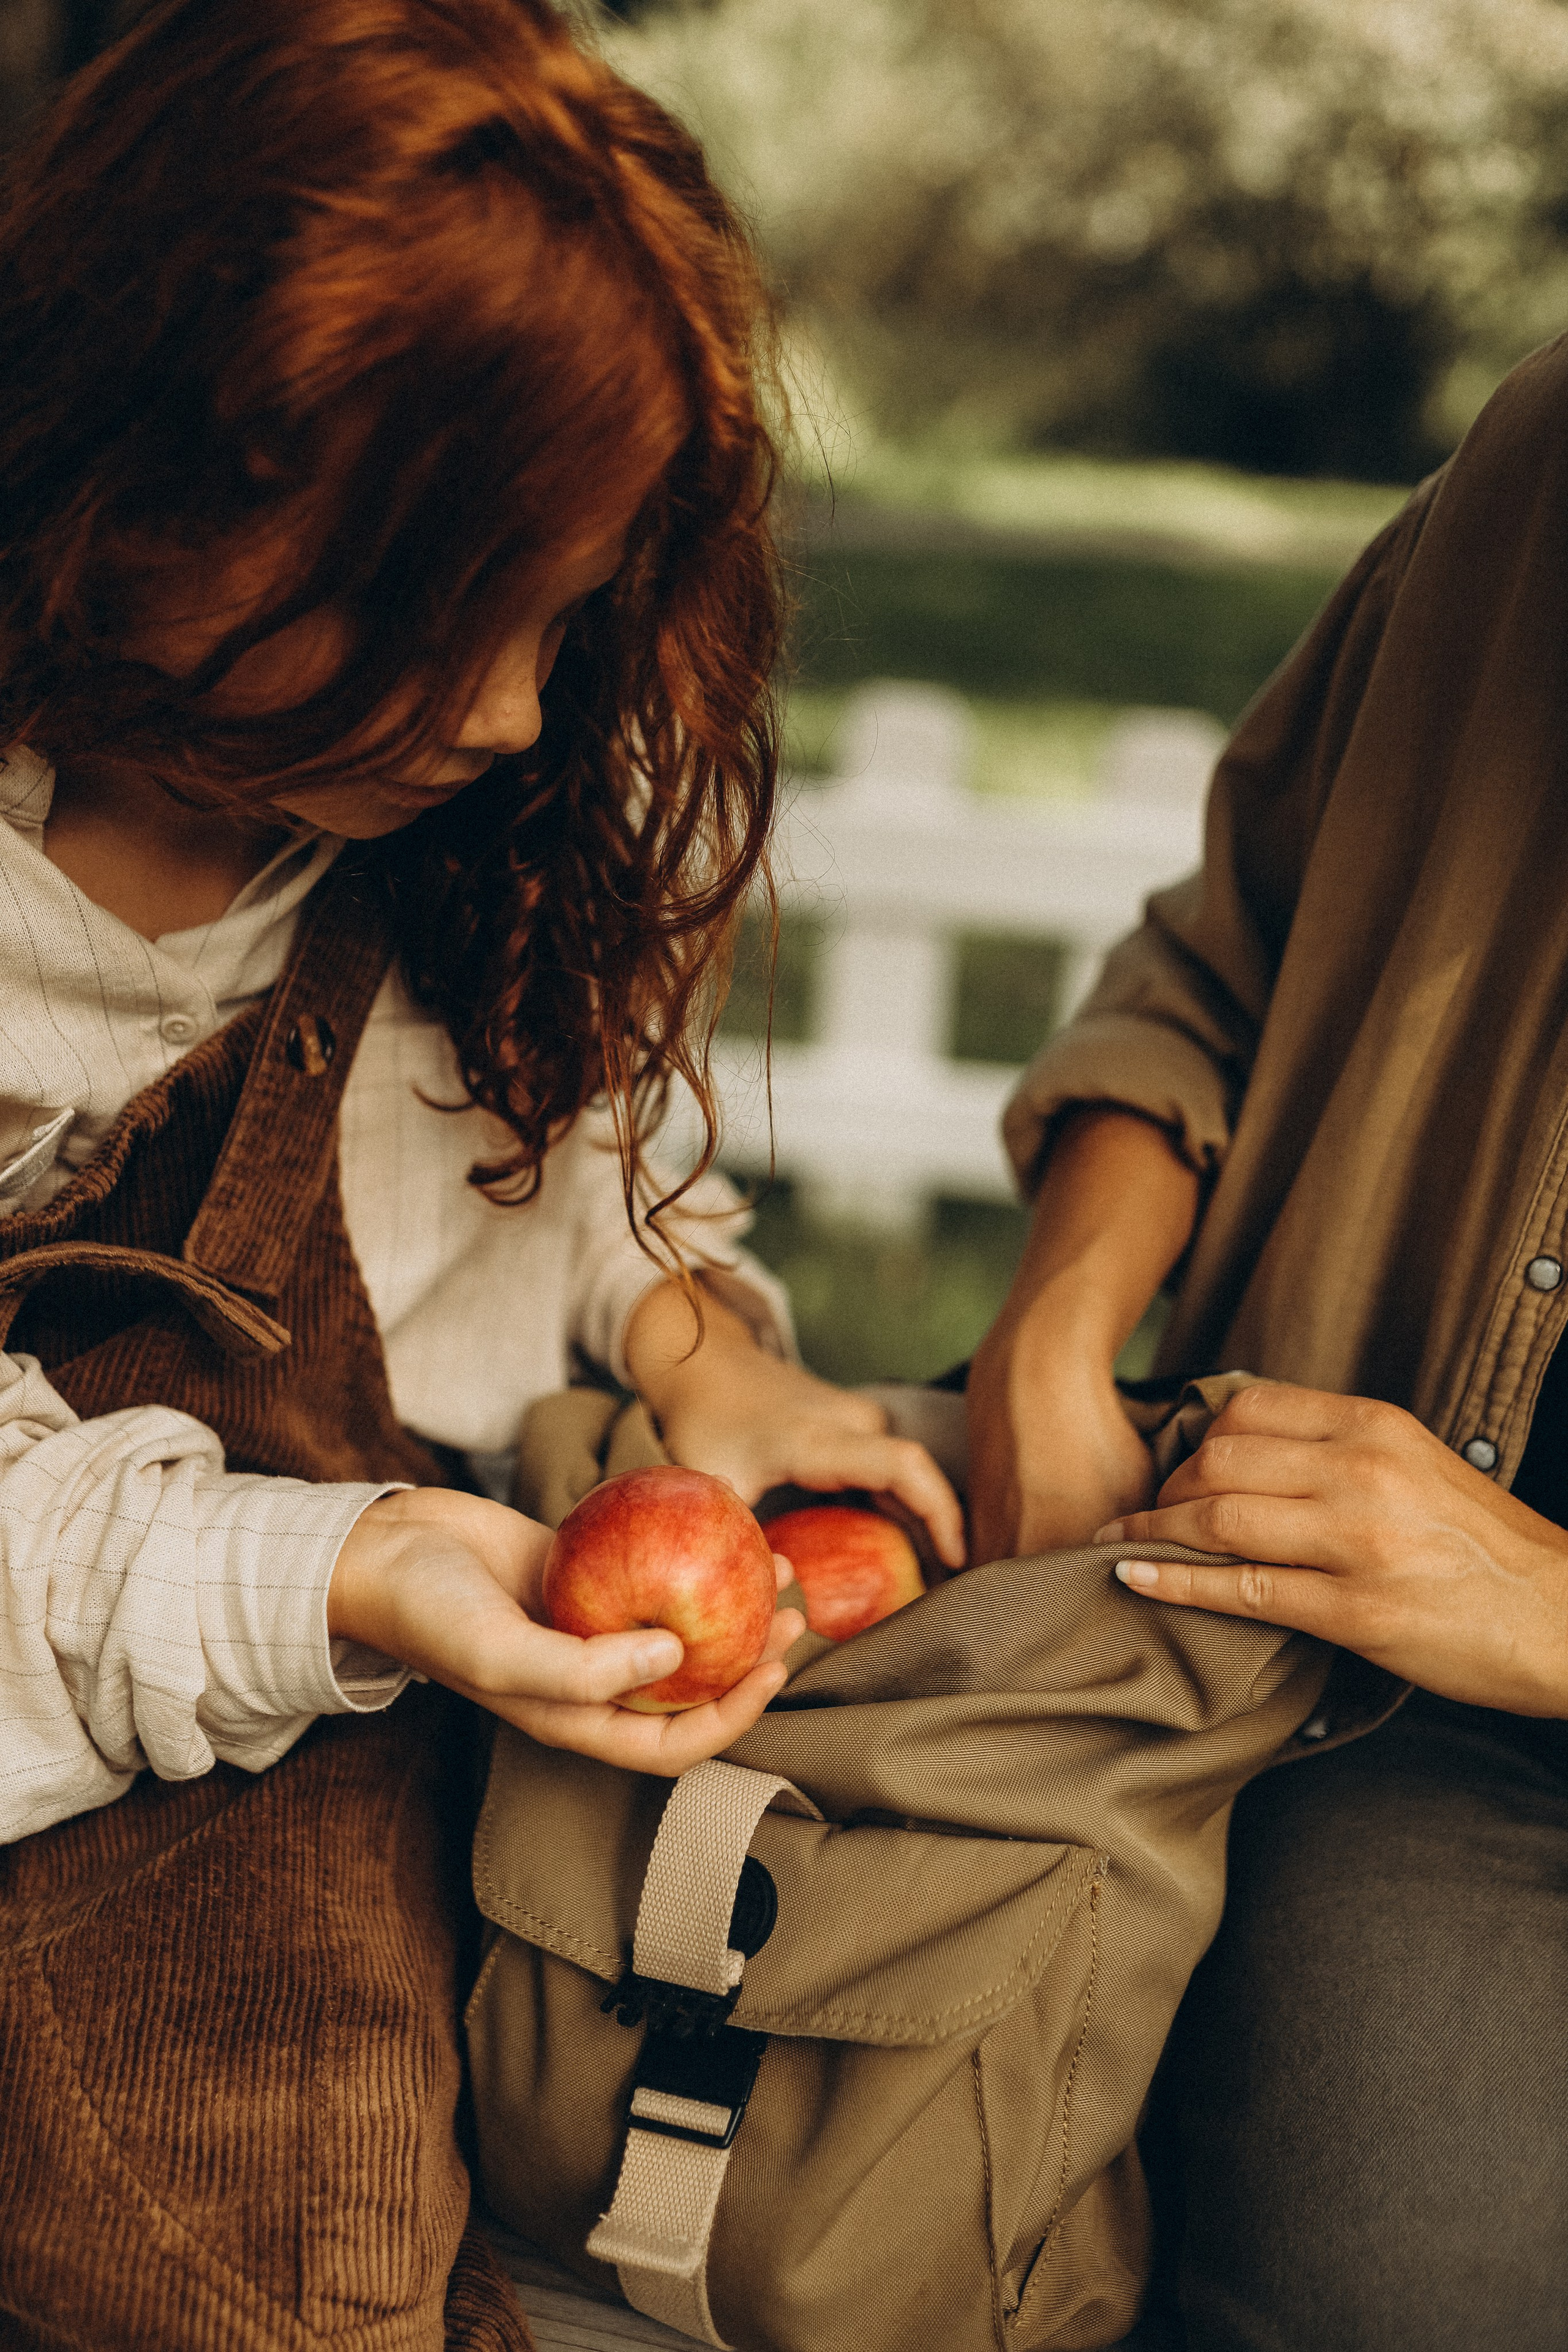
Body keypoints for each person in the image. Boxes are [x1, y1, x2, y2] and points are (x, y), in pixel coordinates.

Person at [0, 4, 962, 2344]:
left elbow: (528, 1163)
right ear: (174, 479)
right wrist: (349, 1574)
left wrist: (686, 1345)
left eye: (567, 617)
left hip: (322, 1790)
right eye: (459, 614)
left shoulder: (423, 857)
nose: (527, 709)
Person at [967, 334, 1568, 2351]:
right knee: (1363, 2263)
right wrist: (1055, 1334)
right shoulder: (1533, 471)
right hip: (1383, 1720)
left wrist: (1546, 1605)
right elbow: (1213, 969)